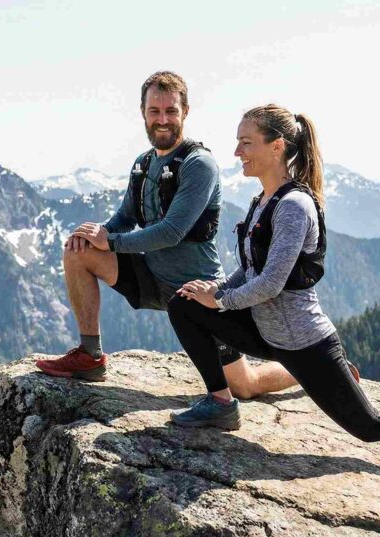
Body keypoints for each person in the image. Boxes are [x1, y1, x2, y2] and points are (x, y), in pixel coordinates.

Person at [167, 103, 380, 478]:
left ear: (276, 146)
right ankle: (220, 402)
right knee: (183, 304)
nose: (237, 152)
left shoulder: (294, 206)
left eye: (246, 143)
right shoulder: (260, 202)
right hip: (264, 331)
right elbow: (248, 269)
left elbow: (272, 282)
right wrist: (214, 289)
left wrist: (223, 301)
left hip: (304, 343)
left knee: (370, 426)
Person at [35, 71, 297, 397]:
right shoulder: (143, 164)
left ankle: (310, 370)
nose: (162, 120)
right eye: (154, 111)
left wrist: (111, 242)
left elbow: (172, 232)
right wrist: (96, 234)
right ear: (143, 113)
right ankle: (90, 355)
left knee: (244, 387)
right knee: (77, 251)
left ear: (185, 112)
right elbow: (125, 217)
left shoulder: (198, 164)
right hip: (150, 276)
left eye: (171, 111)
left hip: (197, 290)